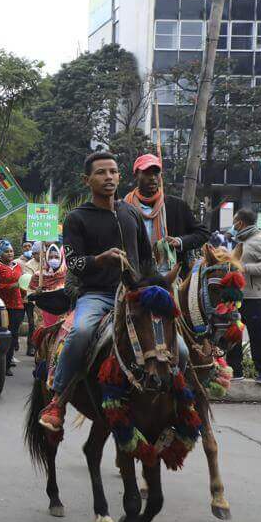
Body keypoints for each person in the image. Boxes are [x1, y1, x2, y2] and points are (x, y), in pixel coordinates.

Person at [39, 151, 153, 432]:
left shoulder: (132, 214)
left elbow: (148, 260)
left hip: (135, 295)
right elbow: (75, 262)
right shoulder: (77, 218)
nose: (109, 177)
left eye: (113, 172)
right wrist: (101, 259)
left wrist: (156, 286)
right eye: (101, 172)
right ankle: (59, 399)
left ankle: (180, 396)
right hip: (97, 296)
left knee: (180, 346)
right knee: (80, 333)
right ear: (86, 179)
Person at [123, 153, 209, 272]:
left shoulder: (177, 206)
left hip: (170, 276)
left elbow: (203, 233)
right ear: (136, 175)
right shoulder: (124, 208)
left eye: (156, 173)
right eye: (147, 172)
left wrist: (180, 241)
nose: (152, 177)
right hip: (134, 275)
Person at [227, 209, 261, 383]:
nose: (232, 226)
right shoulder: (241, 242)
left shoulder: (259, 241)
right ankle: (236, 370)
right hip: (239, 296)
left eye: (234, 222)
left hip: (256, 296)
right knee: (235, 333)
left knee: (256, 334)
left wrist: (245, 268)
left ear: (240, 223)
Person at [0, 240, 23, 376]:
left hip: (17, 305)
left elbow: (23, 284)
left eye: (11, 251)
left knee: (13, 336)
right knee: (2, 336)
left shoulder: (18, 267)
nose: (10, 253)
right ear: (0, 253)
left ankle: (7, 364)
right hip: (2, 306)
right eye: (7, 251)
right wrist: (10, 286)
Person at [29, 243, 69, 328]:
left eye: (56, 257)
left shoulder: (67, 274)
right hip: (44, 313)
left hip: (64, 314)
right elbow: (28, 296)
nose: (53, 259)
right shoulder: (38, 276)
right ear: (46, 258)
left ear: (61, 258)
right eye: (50, 257)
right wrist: (36, 293)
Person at [16, 241, 39, 356]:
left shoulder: (48, 263)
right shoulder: (28, 265)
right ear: (34, 254)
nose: (40, 255)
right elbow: (29, 282)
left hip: (45, 298)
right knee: (32, 323)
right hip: (30, 298)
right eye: (37, 253)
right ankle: (30, 347)